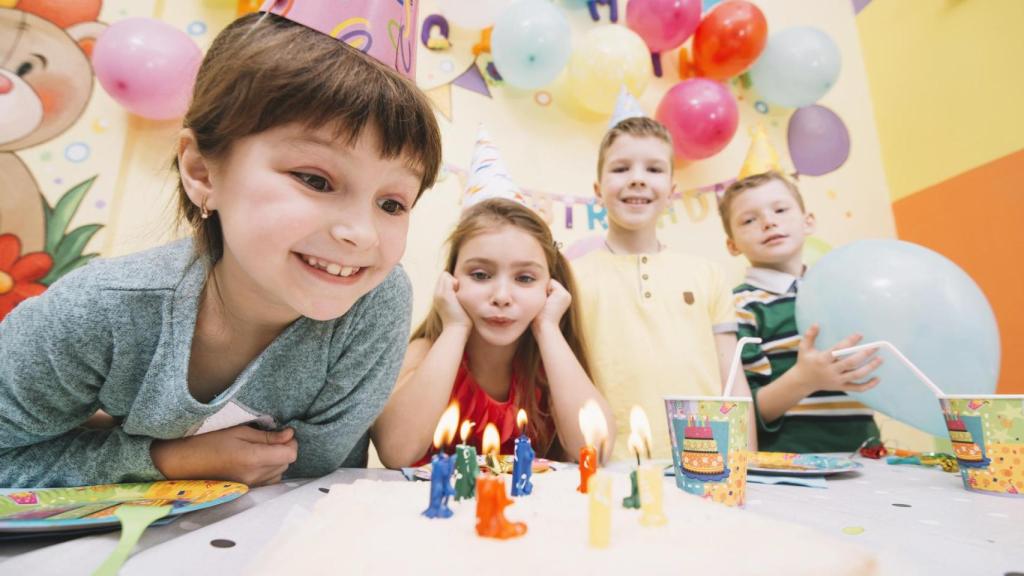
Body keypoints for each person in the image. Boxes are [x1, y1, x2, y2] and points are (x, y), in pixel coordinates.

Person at [0, 3, 441, 487]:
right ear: (203, 171)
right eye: (315, 179)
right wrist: (164, 460)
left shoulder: (374, 302)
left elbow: (313, 476)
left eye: (393, 203)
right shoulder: (98, 313)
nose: (362, 233)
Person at [573, 95, 753, 461]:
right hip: (611, 462)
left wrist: (748, 458)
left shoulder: (707, 274)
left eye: (653, 170)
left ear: (671, 192)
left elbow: (731, 373)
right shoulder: (572, 277)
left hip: (708, 460)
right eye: (621, 169)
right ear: (598, 190)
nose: (637, 179)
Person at [372, 195, 614, 468]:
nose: (501, 296)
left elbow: (596, 449)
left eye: (524, 278)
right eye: (480, 275)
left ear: (551, 287)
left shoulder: (550, 366)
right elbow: (395, 453)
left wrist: (548, 327)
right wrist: (455, 327)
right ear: (451, 281)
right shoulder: (425, 354)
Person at [720, 170, 882, 453]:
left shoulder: (844, 294)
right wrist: (805, 379)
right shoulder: (738, 308)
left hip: (866, 455)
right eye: (749, 219)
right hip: (791, 467)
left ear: (808, 222)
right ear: (732, 245)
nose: (769, 222)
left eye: (780, 210)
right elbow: (742, 412)